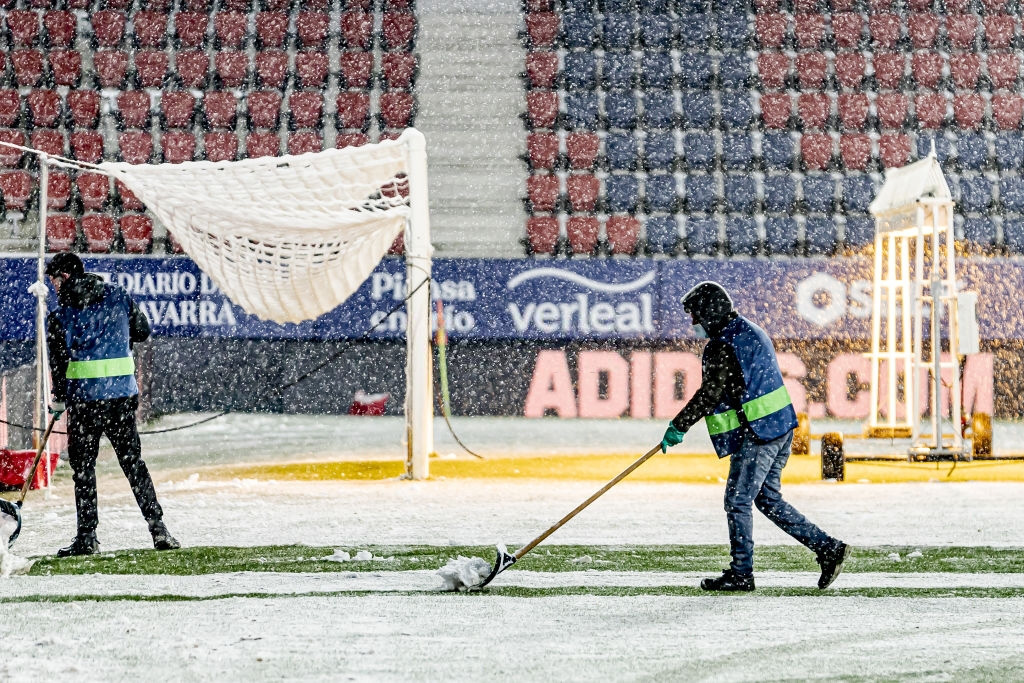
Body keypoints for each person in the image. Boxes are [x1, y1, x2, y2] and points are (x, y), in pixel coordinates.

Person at [660, 281, 848, 591]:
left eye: (695, 316)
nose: (693, 324)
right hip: (782, 426)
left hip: (759, 433)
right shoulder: (748, 330)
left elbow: (710, 393)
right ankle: (828, 549)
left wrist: (679, 425)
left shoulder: (722, 344)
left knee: (737, 501)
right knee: (768, 499)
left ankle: (741, 573)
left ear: (710, 313)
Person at [45, 253, 179, 557]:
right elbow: (142, 332)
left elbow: (60, 368)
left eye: (53, 280)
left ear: (64, 277)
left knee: (84, 471)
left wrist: (58, 401)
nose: (52, 287)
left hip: (84, 405)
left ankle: (87, 537)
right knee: (134, 465)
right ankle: (158, 528)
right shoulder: (118, 297)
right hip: (120, 399)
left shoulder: (59, 317)